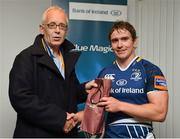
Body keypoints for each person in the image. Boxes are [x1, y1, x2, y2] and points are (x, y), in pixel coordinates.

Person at [8, 6, 97, 138]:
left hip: (66, 134)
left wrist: (84, 89)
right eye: (52, 25)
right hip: (36, 134)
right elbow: (21, 98)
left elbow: (66, 93)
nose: (57, 31)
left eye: (62, 26)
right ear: (42, 29)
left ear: (66, 31)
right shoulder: (25, 58)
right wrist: (61, 119)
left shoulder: (67, 57)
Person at [95, 21, 168, 138]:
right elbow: (96, 110)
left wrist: (119, 105)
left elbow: (160, 113)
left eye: (124, 39)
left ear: (134, 41)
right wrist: (75, 117)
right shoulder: (105, 73)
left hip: (139, 135)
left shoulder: (150, 70)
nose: (119, 45)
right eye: (115, 40)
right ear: (111, 45)